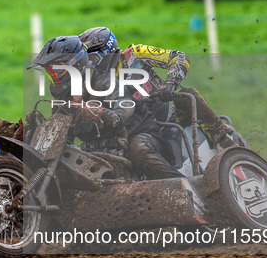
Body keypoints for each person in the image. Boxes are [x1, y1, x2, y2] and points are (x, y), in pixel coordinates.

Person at [28, 36, 184, 180]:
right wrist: (37, 128)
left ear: (76, 64)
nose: (54, 77)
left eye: (57, 70)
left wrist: (101, 112)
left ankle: (183, 189)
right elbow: (60, 129)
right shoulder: (65, 97)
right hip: (103, 145)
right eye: (50, 73)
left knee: (139, 150)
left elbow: (123, 112)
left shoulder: (104, 81)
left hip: (139, 133)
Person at [78, 27, 236, 150]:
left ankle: (222, 137)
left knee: (188, 94)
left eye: (93, 57)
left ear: (108, 51)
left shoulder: (135, 54)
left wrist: (170, 83)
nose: (90, 62)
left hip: (167, 109)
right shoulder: (92, 80)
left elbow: (179, 57)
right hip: (136, 126)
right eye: (87, 58)